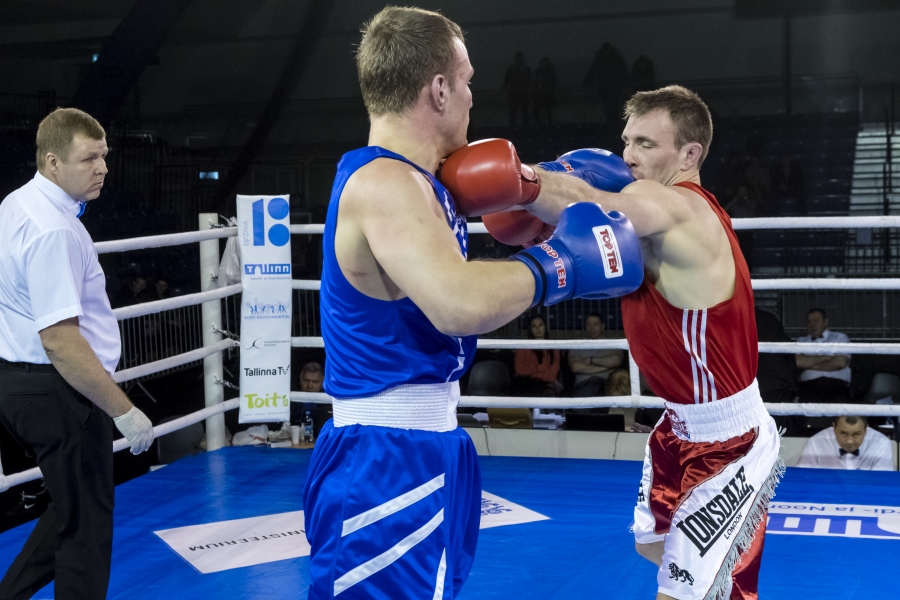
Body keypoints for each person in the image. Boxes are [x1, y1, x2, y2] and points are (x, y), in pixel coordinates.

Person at [302, 7, 644, 600]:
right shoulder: (385, 184)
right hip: (385, 455)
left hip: (425, 442)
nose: (469, 97)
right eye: (465, 82)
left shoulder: (424, 181)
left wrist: (546, 188)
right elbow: (457, 303)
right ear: (438, 89)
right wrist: (559, 263)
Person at [458, 85, 782, 599]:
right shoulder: (656, 215)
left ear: (689, 155)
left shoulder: (675, 205)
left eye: (647, 144)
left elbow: (597, 206)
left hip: (729, 443)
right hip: (678, 427)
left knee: (682, 590)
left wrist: (522, 180)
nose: (628, 155)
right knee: (657, 549)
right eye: (627, 141)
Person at [0, 108, 154, 600]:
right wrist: (123, 410)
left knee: (73, 508)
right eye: (89, 158)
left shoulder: (16, 204)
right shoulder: (55, 230)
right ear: (52, 162)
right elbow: (61, 341)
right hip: (59, 390)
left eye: (104, 156)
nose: (102, 168)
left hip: (19, 382)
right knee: (86, 530)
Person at [795, 308, 852, 404]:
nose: (812, 324)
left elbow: (841, 362)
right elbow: (798, 362)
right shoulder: (801, 341)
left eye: (816, 321)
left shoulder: (840, 338)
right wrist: (826, 357)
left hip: (836, 386)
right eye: (809, 321)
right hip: (808, 387)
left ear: (825, 322)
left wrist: (808, 365)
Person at [796, 416, 893, 471]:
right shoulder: (816, 442)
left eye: (856, 434)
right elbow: (804, 477)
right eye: (843, 433)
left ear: (866, 429)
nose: (849, 441)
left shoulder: (881, 443)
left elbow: (881, 482)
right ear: (834, 428)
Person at [568, 312, 625, 398]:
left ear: (602, 326)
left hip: (607, 384)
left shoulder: (612, 343)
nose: (592, 328)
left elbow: (616, 360)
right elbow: (575, 367)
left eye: (595, 324)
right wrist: (607, 367)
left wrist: (591, 360)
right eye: (589, 324)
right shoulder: (577, 344)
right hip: (583, 385)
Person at [513, 315, 562, 396]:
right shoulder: (522, 346)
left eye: (540, 325)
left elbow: (552, 376)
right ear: (530, 329)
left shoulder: (554, 347)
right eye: (534, 326)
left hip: (546, 385)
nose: (538, 329)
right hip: (525, 384)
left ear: (545, 327)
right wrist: (540, 368)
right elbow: (519, 370)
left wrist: (536, 375)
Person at [583, 43, 630, 126]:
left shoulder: (600, 59)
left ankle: (610, 123)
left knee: (609, 106)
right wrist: (627, 83)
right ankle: (613, 123)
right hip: (614, 87)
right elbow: (623, 72)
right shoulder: (616, 59)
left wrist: (586, 83)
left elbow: (593, 72)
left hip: (606, 87)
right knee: (613, 106)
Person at [503, 51, 531, 127]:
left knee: (522, 110)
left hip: (521, 91)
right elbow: (507, 80)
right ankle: (515, 126)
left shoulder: (518, 69)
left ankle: (523, 126)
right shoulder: (515, 69)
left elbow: (529, 81)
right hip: (515, 92)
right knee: (514, 110)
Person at [532, 57, 557, 125]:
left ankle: (546, 124)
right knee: (536, 110)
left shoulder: (550, 72)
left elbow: (554, 82)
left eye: (545, 63)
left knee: (548, 111)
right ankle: (540, 124)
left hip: (547, 94)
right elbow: (535, 83)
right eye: (542, 63)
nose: (543, 64)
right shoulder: (538, 72)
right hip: (540, 94)